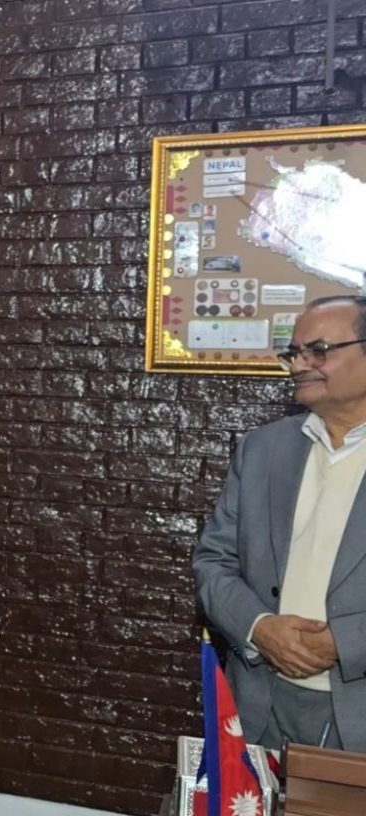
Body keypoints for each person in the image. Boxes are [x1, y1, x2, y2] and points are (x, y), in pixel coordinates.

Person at [195, 295, 366, 753]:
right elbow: (214, 561)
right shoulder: (264, 449)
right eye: (294, 353)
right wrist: (258, 627)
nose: (299, 365)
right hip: (257, 704)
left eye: (319, 351)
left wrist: (345, 642)